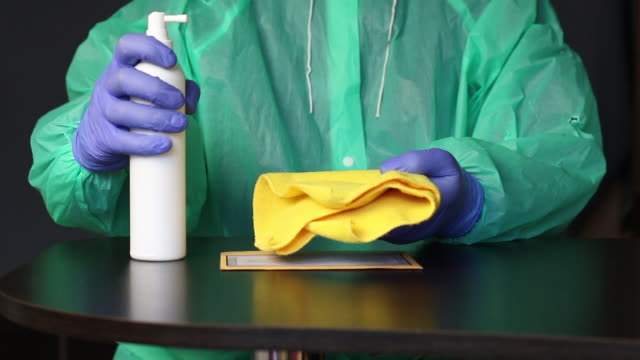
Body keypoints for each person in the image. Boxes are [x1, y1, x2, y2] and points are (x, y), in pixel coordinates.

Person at [28, 0, 605, 359]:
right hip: (202, 351)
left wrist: (476, 190)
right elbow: (82, 181)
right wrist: (91, 146)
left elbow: (559, 148)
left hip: (439, 340)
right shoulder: (188, 17)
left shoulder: (486, 14)